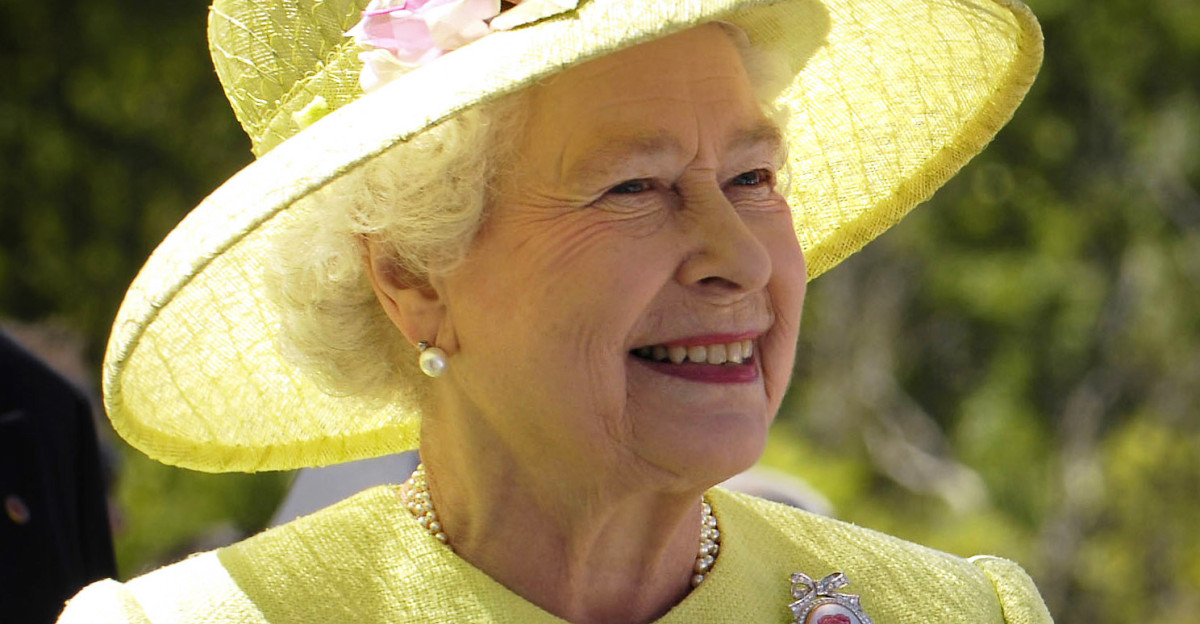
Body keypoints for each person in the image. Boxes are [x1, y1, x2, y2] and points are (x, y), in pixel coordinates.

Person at [59, 0, 1049, 621]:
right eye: (632, 188)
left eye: (751, 175)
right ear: (412, 275)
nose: (739, 256)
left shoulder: (957, 613)